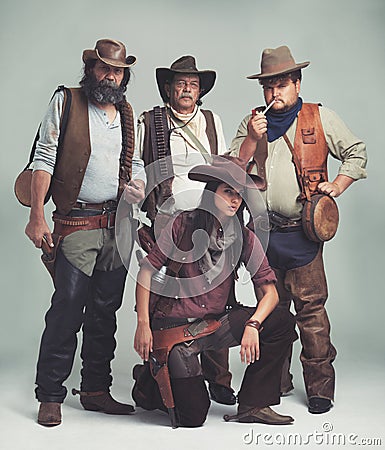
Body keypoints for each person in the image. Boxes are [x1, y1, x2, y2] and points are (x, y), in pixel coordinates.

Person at [229, 45, 367, 414]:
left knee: (312, 313)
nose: (274, 93)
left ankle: (320, 388)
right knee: (273, 312)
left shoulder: (319, 117)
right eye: (267, 86)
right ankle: (276, 380)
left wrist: (336, 186)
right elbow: (230, 169)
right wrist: (252, 141)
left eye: (280, 84)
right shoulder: (252, 122)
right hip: (263, 234)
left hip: (303, 232)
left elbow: (356, 152)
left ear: (296, 82)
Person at [24, 39, 146, 426]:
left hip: (118, 225)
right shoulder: (67, 101)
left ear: (124, 75)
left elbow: (137, 162)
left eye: (118, 70)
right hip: (76, 222)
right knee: (67, 307)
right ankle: (50, 395)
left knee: (105, 312)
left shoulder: (127, 113)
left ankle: (95, 390)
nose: (111, 75)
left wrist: (138, 186)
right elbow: (43, 157)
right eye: (104, 68)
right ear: (91, 69)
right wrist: (37, 216)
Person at [133, 156, 297, 427]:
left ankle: (254, 405)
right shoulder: (183, 224)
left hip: (213, 324)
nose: (235, 200)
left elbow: (271, 293)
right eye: (227, 192)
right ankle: (148, 384)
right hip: (176, 329)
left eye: (239, 195)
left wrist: (254, 324)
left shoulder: (244, 237)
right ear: (212, 193)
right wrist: (143, 324)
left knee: (281, 321)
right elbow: (146, 271)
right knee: (192, 417)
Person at [137, 55, 235, 405]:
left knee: (218, 292)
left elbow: (224, 165)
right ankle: (159, 365)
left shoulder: (211, 121)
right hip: (168, 219)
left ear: (200, 90)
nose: (186, 89)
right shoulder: (151, 121)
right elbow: (136, 166)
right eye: (180, 83)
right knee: (171, 298)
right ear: (168, 87)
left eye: (193, 84)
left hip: (209, 218)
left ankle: (219, 377)